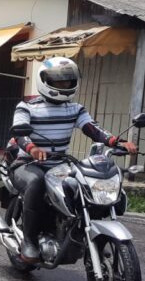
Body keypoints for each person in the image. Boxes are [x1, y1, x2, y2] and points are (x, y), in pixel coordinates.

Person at [9, 56, 136, 264]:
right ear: (45, 81)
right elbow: (19, 134)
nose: (64, 85)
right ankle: (30, 242)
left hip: (60, 164)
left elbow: (93, 129)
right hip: (27, 164)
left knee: (83, 184)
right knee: (36, 183)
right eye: (59, 82)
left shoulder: (75, 109)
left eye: (67, 81)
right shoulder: (27, 107)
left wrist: (116, 141)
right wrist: (32, 148)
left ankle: (80, 233)